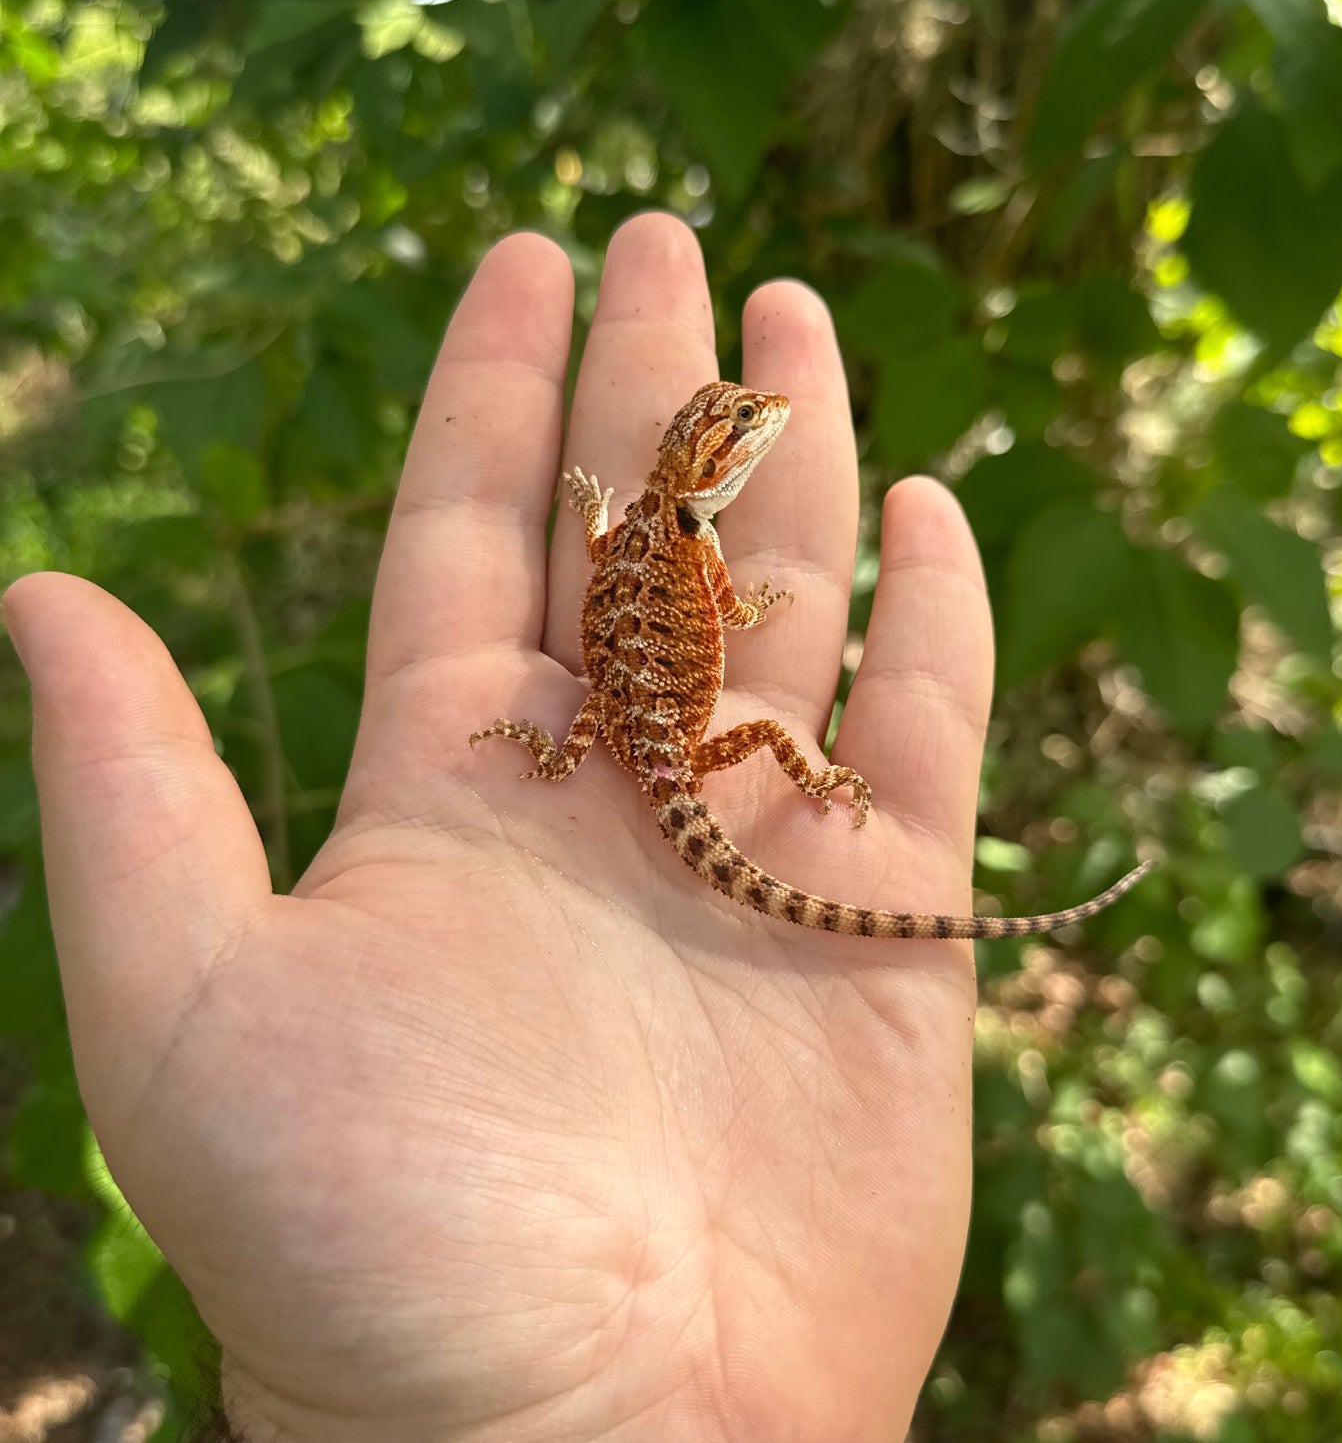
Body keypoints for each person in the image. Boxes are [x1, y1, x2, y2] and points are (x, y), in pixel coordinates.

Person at [4, 214, 991, 1442]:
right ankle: (812, 789)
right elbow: (719, 599)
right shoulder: (684, 538)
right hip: (665, 741)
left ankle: (671, 769)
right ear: (704, 464)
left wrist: (564, 734)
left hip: (624, 736)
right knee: (769, 744)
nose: (757, 428)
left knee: (692, 742)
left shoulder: (646, 527)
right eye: (737, 424)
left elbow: (633, 573)